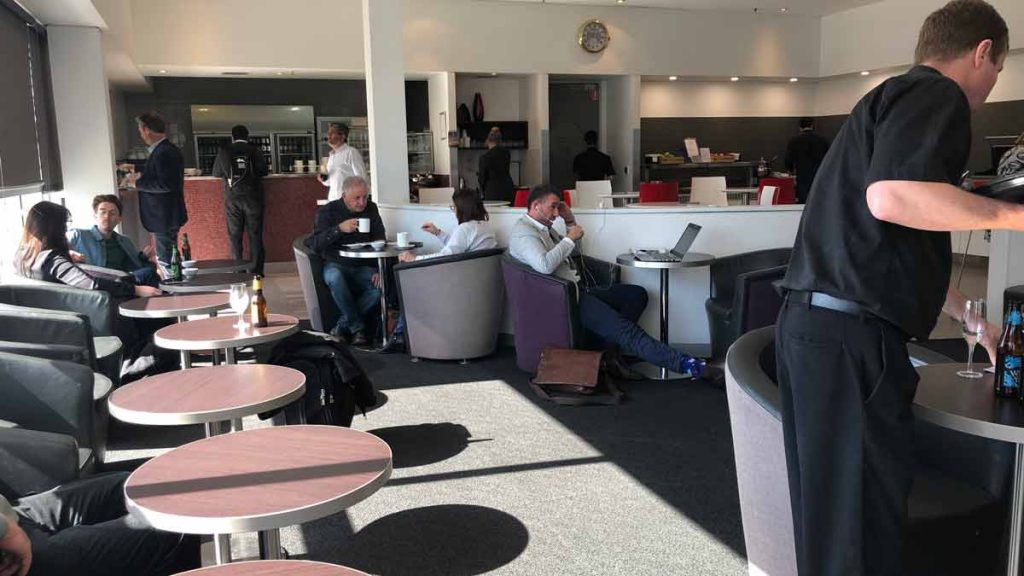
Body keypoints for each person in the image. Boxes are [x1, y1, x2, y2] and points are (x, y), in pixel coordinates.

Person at [775, 2, 1013, 574]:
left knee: (834, 530)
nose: (992, 83)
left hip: (818, 331)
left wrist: (964, 314)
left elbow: (885, 238)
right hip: (850, 342)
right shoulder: (936, 94)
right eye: (997, 69)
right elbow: (893, 198)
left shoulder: (886, 100)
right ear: (981, 51)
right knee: (858, 534)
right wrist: (1013, 216)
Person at [509, 185, 707, 378]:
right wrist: (569, 238)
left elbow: (576, 252)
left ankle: (608, 355)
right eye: (552, 206)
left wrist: (569, 221)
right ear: (536, 206)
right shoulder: (524, 232)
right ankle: (689, 365)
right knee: (627, 332)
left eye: (557, 207)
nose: (555, 212)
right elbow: (544, 265)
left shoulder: (545, 228)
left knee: (636, 294)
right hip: (566, 299)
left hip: (578, 290)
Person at [0, 472, 199, 575]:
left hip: (11, 512)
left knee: (137, 487)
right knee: (169, 522)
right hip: (11, 553)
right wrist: (8, 532)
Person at [15, 201, 161, 299]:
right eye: (64, 224)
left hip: (75, 299)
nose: (66, 228)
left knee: (147, 272)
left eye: (112, 213)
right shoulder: (53, 260)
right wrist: (135, 290)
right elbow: (91, 283)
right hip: (92, 300)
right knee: (147, 276)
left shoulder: (22, 254)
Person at [308, 176, 384, 345]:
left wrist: (379, 269)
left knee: (380, 288)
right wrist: (339, 229)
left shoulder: (371, 209)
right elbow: (315, 244)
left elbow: (380, 239)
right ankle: (357, 329)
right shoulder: (328, 211)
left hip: (363, 265)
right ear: (344, 196)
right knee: (335, 277)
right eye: (357, 198)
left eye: (365, 197)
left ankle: (341, 327)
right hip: (335, 263)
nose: (362, 202)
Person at [126, 112, 187, 272]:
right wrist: (137, 169)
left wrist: (136, 183)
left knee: (165, 259)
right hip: (167, 215)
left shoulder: (163, 152)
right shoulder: (165, 149)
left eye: (140, 129)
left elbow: (165, 184)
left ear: (146, 129)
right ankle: (178, 286)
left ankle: (175, 290)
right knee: (170, 255)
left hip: (163, 215)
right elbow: (160, 175)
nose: (140, 133)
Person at [212, 124, 270, 275]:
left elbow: (216, 173)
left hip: (233, 198)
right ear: (247, 136)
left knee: (235, 236)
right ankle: (256, 271)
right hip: (253, 198)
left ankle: (238, 272)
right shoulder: (254, 150)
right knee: (255, 235)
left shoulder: (224, 151)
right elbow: (264, 171)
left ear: (232, 137)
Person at [67, 194, 160, 287]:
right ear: (95, 216)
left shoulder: (124, 241)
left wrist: (143, 257)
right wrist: (69, 253)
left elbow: (136, 267)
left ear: (119, 219)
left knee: (149, 272)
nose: (107, 217)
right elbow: (55, 249)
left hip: (120, 281)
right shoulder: (78, 234)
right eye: (103, 212)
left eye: (112, 213)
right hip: (93, 282)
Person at [398, 188, 497, 263]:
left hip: (465, 277)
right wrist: (438, 233)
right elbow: (459, 245)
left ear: (462, 209)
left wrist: (415, 259)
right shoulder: (487, 227)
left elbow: (445, 256)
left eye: (454, 207)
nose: (453, 211)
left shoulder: (465, 229)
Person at [784, 117, 830, 204]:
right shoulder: (822, 141)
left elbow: (789, 158)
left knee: (803, 201)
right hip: (819, 174)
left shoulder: (794, 141)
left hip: (802, 175)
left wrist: (790, 170)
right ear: (812, 126)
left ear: (800, 127)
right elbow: (829, 158)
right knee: (818, 200)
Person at [319, 123, 367, 202]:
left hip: (348, 202)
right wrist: (323, 179)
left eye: (332, 133)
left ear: (343, 136)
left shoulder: (351, 152)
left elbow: (361, 178)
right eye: (328, 134)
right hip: (333, 200)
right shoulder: (331, 156)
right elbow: (329, 183)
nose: (328, 136)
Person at [478, 128, 515, 203]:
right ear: (500, 141)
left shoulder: (485, 157)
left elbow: (482, 178)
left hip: (492, 192)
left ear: (488, 141)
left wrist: (483, 189)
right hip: (508, 190)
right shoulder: (507, 154)